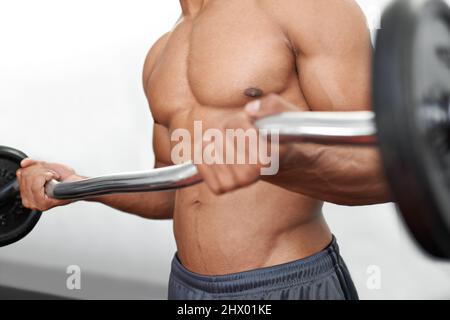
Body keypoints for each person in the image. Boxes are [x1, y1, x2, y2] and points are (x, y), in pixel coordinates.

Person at [16, 0, 390, 300]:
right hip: (188, 287)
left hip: (286, 282)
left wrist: (281, 160)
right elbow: (170, 194)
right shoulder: (162, 53)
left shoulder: (309, 8)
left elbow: (385, 171)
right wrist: (82, 186)